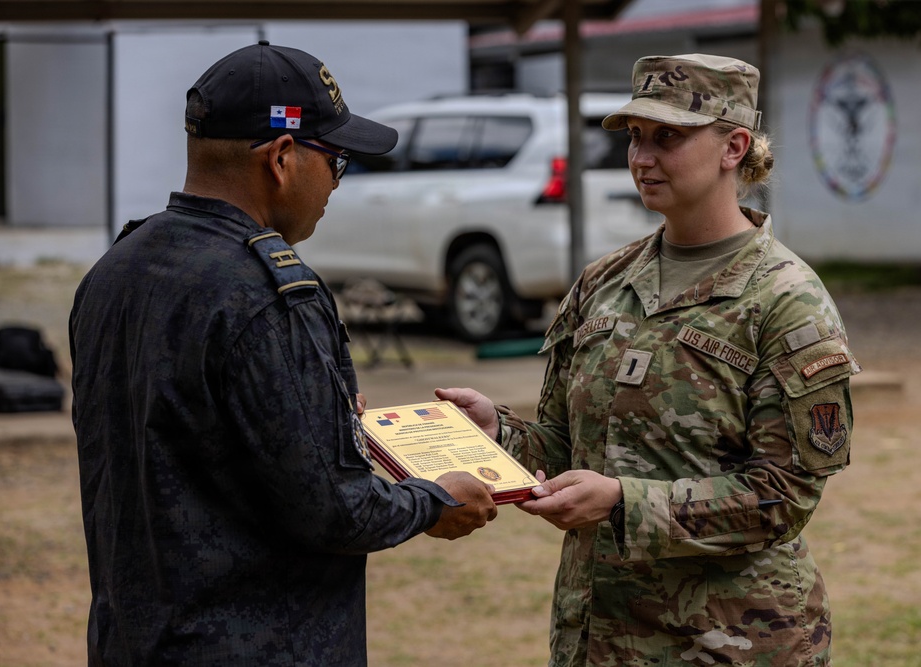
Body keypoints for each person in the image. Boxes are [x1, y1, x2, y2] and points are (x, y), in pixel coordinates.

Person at [69, 41, 497, 666]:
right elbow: (335, 509)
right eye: (338, 162)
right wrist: (435, 500)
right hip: (258, 644)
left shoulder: (115, 270)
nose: (335, 184)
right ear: (282, 157)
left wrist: (325, 417)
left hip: (134, 639)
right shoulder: (268, 293)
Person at [438, 53, 860, 666]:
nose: (640, 158)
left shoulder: (786, 300)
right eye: (635, 137)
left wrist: (620, 503)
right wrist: (496, 433)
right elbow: (566, 444)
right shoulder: (603, 282)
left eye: (668, 137)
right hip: (600, 635)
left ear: (734, 146)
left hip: (730, 643)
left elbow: (784, 493)